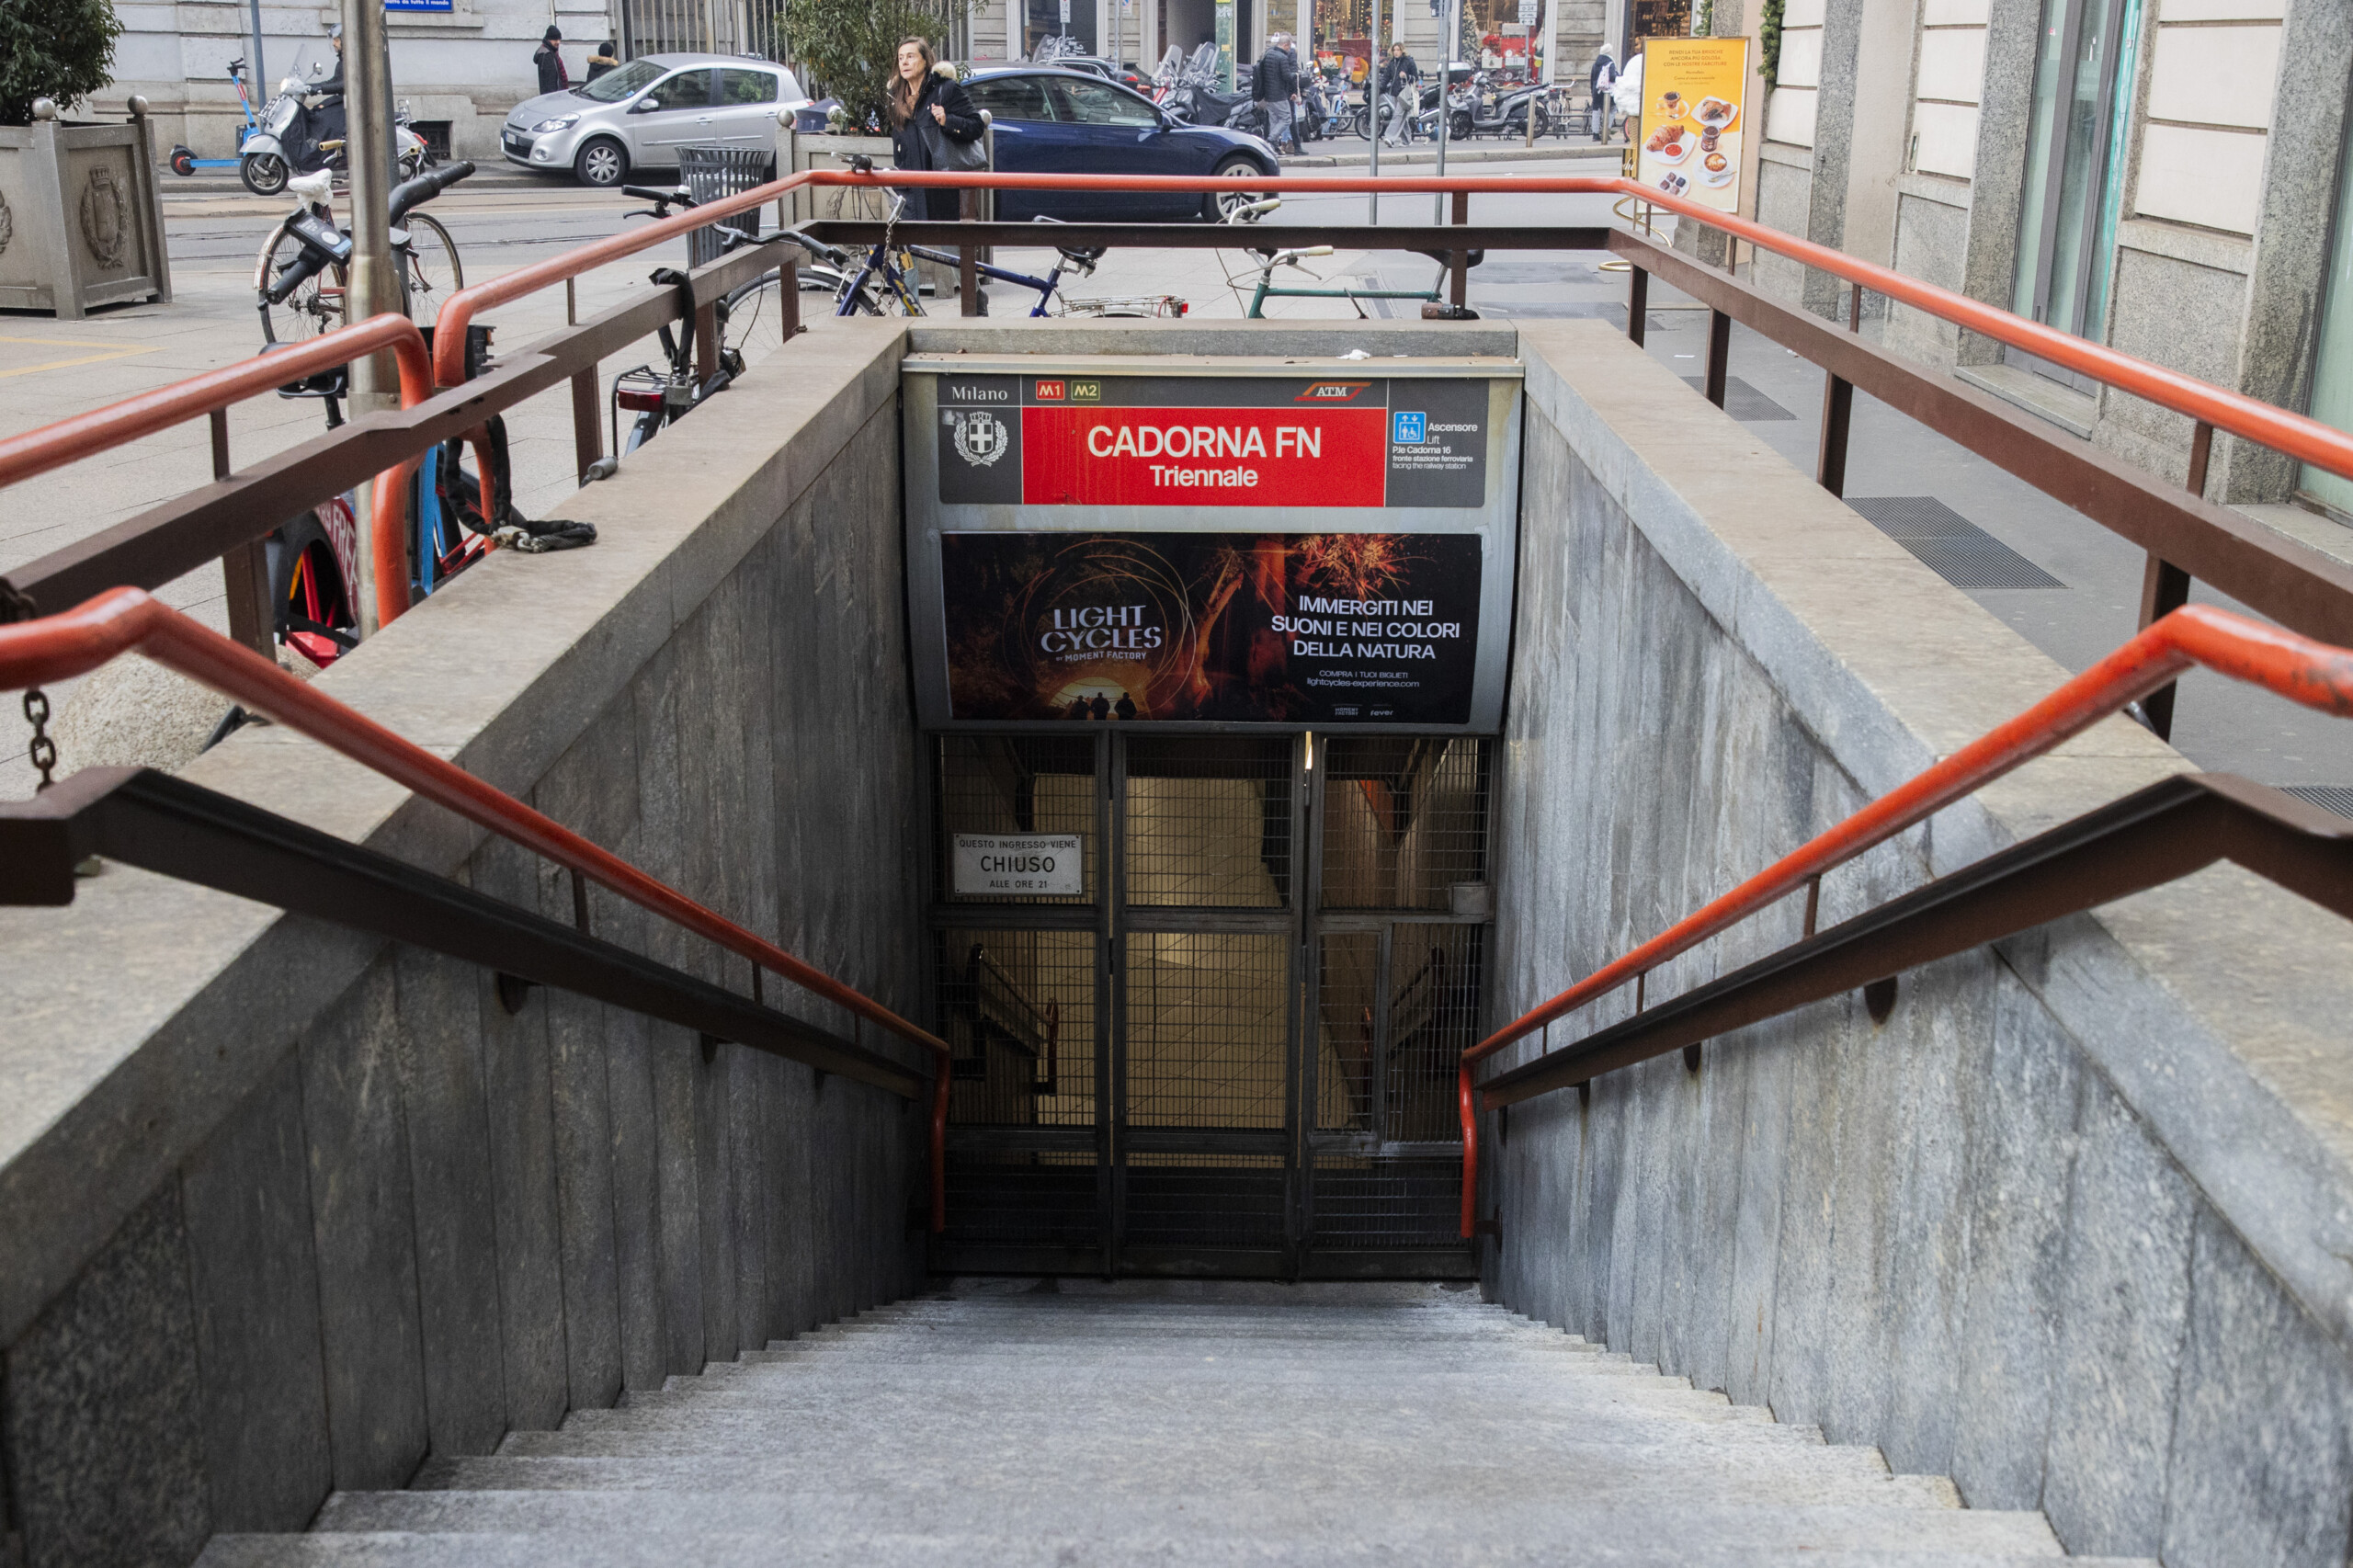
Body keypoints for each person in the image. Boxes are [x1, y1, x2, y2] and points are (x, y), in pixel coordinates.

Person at [887, 36, 983, 222]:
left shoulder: (945, 89)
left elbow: (977, 126)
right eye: (900, 58)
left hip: (942, 193)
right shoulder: (895, 97)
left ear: (925, 60)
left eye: (910, 56)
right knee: (913, 250)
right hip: (910, 194)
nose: (904, 62)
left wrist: (948, 120)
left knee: (947, 248)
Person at [1253, 33, 1301, 155]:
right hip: (1279, 94)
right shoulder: (1282, 57)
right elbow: (1286, 76)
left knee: (1274, 120)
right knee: (1286, 119)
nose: (1289, 50)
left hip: (1267, 94)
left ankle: (1273, 149)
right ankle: (1270, 140)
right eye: (1289, 47)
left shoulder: (1268, 54)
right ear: (1285, 45)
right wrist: (1295, 75)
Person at [1379, 41, 1420, 145]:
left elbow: (1416, 77)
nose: (1396, 52)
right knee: (1401, 116)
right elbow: (1386, 77)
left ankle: (1389, 137)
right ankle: (1407, 140)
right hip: (1396, 93)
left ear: (1402, 51)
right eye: (1394, 50)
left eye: (1398, 50)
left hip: (1405, 93)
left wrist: (1406, 76)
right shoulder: (1392, 63)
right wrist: (1380, 88)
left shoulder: (1409, 61)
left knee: (1397, 115)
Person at [1587, 46, 1616, 142]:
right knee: (1612, 109)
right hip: (1607, 91)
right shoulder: (1610, 63)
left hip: (1597, 91)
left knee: (1596, 112)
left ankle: (1595, 134)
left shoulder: (1596, 63)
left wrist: (1593, 91)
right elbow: (1612, 77)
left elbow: (1592, 79)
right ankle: (1606, 132)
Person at [534, 27, 568, 96]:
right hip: (553, 97)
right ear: (549, 39)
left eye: (559, 39)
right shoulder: (547, 55)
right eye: (555, 39)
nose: (558, 42)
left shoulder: (552, 51)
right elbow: (550, 82)